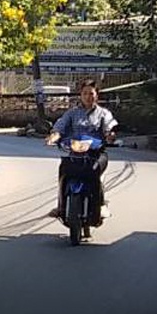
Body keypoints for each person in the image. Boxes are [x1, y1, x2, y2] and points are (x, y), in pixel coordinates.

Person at [45, 79, 118, 223]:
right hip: (76, 154)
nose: (88, 97)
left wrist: (110, 135)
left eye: (91, 93)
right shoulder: (72, 113)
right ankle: (60, 207)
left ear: (97, 95)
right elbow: (60, 127)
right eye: (85, 93)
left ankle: (101, 205)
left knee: (95, 172)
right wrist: (54, 137)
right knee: (63, 171)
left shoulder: (103, 113)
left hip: (96, 155)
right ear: (80, 95)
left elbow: (110, 128)